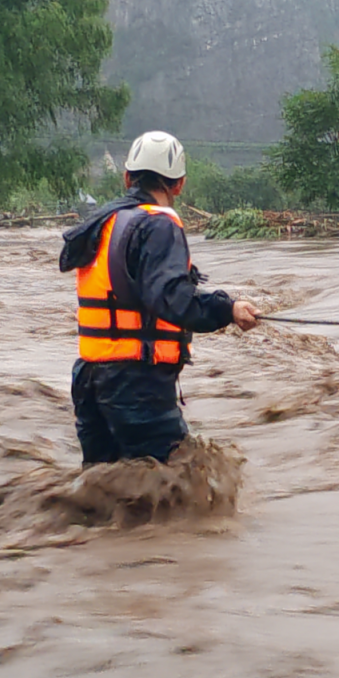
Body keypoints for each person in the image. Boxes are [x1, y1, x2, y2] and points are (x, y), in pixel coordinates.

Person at [59, 131, 261, 468]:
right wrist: (228, 309)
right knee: (175, 482)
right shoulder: (158, 225)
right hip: (137, 384)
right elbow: (171, 298)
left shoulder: (103, 222)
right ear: (179, 185)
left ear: (127, 178)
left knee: (103, 494)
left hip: (89, 381)